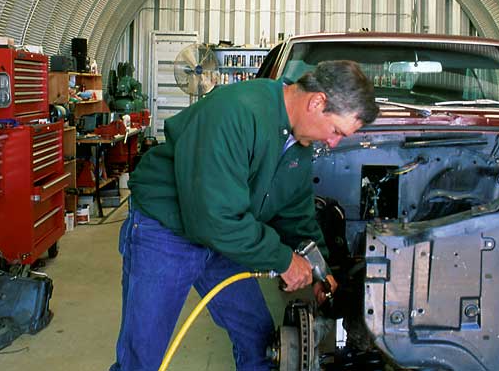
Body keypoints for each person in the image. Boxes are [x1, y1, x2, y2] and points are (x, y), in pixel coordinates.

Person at [110, 60, 378, 371]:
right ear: (317, 102)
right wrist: (282, 260)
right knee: (142, 355)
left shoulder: (299, 146)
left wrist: (321, 270)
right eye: (336, 131)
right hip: (167, 228)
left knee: (260, 341)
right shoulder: (238, 111)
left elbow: (296, 215)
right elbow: (216, 218)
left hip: (227, 238)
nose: (334, 143)